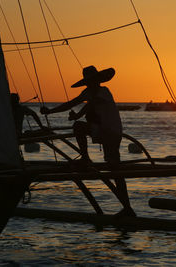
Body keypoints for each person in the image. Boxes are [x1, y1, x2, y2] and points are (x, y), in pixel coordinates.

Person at [40, 65, 135, 217]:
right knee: (114, 168)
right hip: (105, 131)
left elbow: (89, 105)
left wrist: (77, 116)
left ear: (98, 80)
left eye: (93, 81)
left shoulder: (103, 91)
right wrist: (51, 111)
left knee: (115, 169)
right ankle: (127, 208)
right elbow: (72, 103)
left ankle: (86, 158)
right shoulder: (89, 93)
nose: (91, 83)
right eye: (89, 81)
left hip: (110, 132)